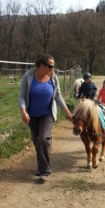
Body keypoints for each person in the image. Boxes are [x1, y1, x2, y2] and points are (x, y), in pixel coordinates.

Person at [18, 54, 73, 182]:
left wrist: (69, 115)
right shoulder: (28, 77)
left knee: (43, 138)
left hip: (48, 114)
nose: (52, 69)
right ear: (41, 65)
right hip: (32, 115)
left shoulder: (53, 78)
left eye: (53, 66)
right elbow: (21, 97)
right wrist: (23, 111)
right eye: (50, 66)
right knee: (37, 140)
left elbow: (58, 97)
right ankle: (41, 165)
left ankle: (44, 170)